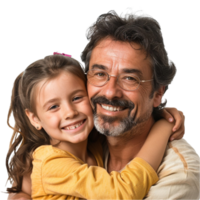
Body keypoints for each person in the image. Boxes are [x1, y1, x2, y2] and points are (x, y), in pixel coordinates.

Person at [6, 6, 194, 200]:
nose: (110, 92)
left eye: (130, 78)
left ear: (158, 93)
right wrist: (163, 126)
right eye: (100, 74)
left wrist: (164, 116)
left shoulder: (178, 174)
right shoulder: (70, 150)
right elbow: (122, 191)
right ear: (34, 118)